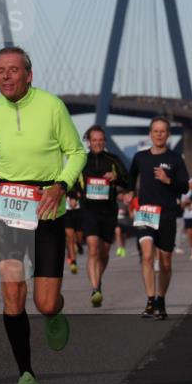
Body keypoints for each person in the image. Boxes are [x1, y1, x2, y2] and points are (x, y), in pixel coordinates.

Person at [0, 47, 86, 384]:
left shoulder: (52, 106)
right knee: (12, 292)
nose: (6, 76)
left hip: (46, 209)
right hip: (5, 209)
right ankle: (26, 375)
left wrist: (61, 185)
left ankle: (55, 312)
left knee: (45, 302)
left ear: (29, 74)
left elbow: (77, 152)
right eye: (0, 71)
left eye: (13, 70)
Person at [128, 117, 189, 321]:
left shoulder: (175, 159)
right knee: (147, 256)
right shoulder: (140, 158)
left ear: (168, 134)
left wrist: (168, 180)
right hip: (146, 212)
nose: (159, 134)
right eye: (155, 131)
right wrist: (128, 193)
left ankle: (161, 299)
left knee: (165, 262)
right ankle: (150, 300)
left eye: (163, 131)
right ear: (150, 134)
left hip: (167, 214)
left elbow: (185, 187)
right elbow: (130, 180)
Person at [78, 125, 129, 308]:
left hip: (108, 210)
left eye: (100, 140)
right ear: (89, 142)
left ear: (104, 142)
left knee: (104, 251)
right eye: (94, 141)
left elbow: (127, 180)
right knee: (93, 249)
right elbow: (72, 180)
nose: (98, 143)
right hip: (88, 209)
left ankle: (98, 280)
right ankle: (95, 289)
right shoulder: (82, 160)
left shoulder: (113, 160)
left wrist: (115, 178)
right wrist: (73, 195)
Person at [63, 186, 82, 275]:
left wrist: (76, 196)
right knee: (70, 238)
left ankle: (79, 244)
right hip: (67, 213)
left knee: (78, 238)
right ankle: (73, 262)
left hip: (78, 212)